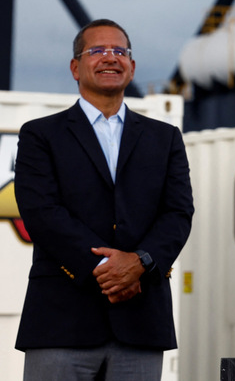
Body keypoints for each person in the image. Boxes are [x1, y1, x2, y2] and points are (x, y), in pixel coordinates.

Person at [14, 19, 194, 380]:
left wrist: (140, 262)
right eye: (97, 50)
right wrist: (111, 271)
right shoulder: (40, 135)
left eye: (120, 51)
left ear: (132, 66)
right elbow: (42, 213)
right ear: (75, 67)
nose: (110, 58)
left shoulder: (165, 138)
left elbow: (178, 212)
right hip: (61, 321)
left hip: (141, 321)